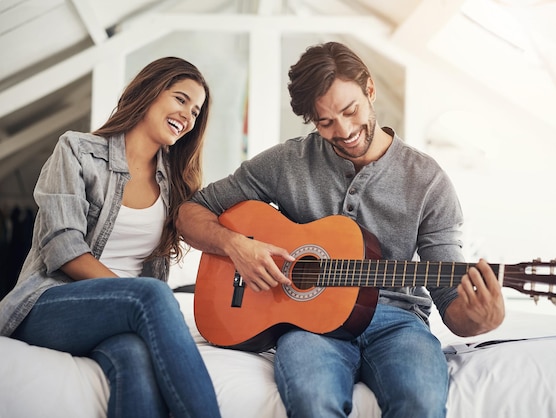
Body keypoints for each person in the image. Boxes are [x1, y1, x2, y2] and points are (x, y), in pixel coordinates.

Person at [177, 42, 505, 418]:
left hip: (398, 324)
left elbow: (450, 298)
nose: (345, 130)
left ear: (370, 91)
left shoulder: (428, 180)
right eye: (326, 122)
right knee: (312, 401)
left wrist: (480, 320)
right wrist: (235, 245)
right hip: (309, 326)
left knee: (422, 404)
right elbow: (190, 211)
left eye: (350, 111)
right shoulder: (288, 161)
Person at [0, 57, 221, 418]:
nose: (188, 116)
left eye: (196, 111)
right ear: (150, 92)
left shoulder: (176, 184)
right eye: (181, 99)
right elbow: (63, 249)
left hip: (122, 317)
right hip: (48, 304)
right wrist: (132, 295)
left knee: (133, 357)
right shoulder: (77, 151)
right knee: (153, 294)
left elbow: (221, 215)